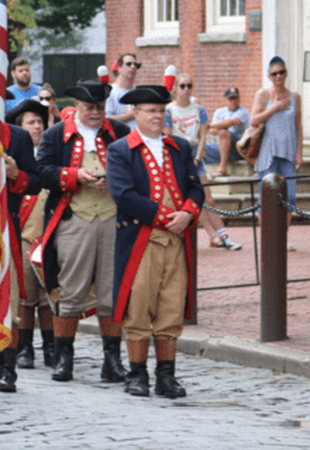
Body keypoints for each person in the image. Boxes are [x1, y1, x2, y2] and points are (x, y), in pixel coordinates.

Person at [106, 84, 205, 399]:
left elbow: (195, 188)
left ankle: (166, 376)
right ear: (136, 114)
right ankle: (138, 376)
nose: (158, 116)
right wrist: (168, 218)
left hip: (177, 240)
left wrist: (188, 213)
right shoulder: (121, 150)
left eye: (162, 110)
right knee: (139, 308)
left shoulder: (180, 147)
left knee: (171, 308)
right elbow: (124, 195)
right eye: (151, 111)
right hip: (142, 241)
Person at [36, 79, 132, 383]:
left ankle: (112, 360)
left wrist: (114, 182)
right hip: (74, 217)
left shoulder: (119, 132)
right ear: (76, 107)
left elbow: (134, 169)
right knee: (71, 290)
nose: (96, 112)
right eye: (89, 107)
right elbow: (41, 172)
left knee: (111, 291)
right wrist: (74, 175)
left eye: (100, 107)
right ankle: (64, 358)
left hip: (113, 218)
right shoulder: (55, 136)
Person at [0, 97, 42, 394]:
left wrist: (15, 175)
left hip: (6, 225)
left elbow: (34, 181)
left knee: (9, 302)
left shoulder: (19, 137)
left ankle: (6, 368)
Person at [165, 74, 242, 251]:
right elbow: (168, 136)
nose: (186, 90)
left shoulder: (198, 109)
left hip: (195, 153)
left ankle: (223, 235)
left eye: (189, 86)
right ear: (176, 87)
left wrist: (198, 157)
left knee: (207, 197)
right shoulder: (169, 110)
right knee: (190, 198)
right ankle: (212, 235)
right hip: (178, 153)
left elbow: (203, 136)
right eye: (182, 86)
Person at [6, 99, 56, 369]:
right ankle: (24, 347)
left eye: (40, 121)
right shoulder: (17, 152)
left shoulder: (52, 152)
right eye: (31, 122)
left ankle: (51, 346)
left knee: (49, 296)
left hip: (49, 234)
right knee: (26, 297)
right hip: (24, 234)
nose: (37, 126)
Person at [250, 56, 303, 251]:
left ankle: (281, 238)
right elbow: (253, 121)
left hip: (288, 154)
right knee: (266, 200)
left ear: (286, 73)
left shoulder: (295, 96)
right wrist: (275, 108)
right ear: (269, 76)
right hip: (268, 154)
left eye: (281, 72)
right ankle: (268, 239)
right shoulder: (263, 94)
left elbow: (298, 126)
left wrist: (299, 153)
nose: (278, 76)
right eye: (274, 73)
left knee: (289, 199)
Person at [206, 87, 250, 177]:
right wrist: (220, 125)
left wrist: (210, 126)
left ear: (239, 99)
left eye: (236, 98)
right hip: (223, 146)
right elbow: (212, 131)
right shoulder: (219, 112)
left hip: (239, 148)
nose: (233, 101)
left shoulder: (243, 112)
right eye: (231, 99)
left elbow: (232, 122)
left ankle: (222, 169)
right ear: (226, 100)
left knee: (224, 132)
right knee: (197, 147)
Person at [106, 53, 140, 130]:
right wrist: (132, 114)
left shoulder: (139, 92)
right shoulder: (110, 91)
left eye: (136, 65)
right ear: (119, 68)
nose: (133, 67)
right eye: (128, 64)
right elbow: (107, 120)